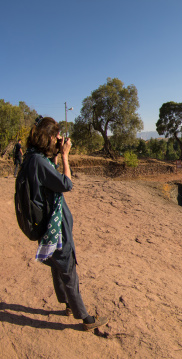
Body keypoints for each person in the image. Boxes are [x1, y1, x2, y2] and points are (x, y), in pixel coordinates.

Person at [22, 116, 108, 331]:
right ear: (50, 137)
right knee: (68, 268)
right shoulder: (40, 162)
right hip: (55, 225)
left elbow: (48, 177)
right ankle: (85, 318)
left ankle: (67, 303)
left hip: (44, 222)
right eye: (57, 136)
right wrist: (66, 156)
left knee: (58, 265)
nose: (60, 139)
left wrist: (58, 155)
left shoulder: (32, 158)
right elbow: (65, 184)